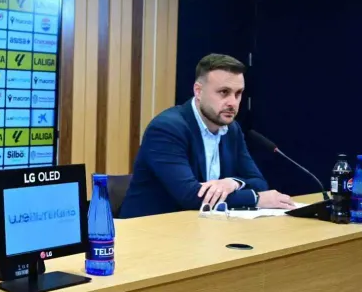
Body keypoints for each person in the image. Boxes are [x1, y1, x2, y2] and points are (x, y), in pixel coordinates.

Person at [120, 54, 295, 219]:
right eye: (224, 92)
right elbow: (189, 196)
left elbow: (259, 182)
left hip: (200, 227)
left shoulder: (231, 129)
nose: (233, 102)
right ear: (198, 91)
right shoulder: (167, 128)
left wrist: (232, 183)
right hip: (151, 229)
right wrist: (256, 199)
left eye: (238, 93)